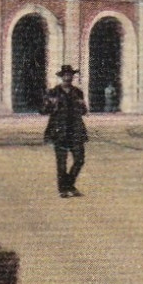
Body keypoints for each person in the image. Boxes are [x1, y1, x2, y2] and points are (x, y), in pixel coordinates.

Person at [42, 65, 89, 198]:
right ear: (61, 77)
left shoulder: (78, 92)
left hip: (75, 130)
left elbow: (84, 111)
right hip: (59, 131)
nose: (68, 77)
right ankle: (64, 189)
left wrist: (82, 105)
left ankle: (69, 184)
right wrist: (50, 104)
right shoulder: (53, 92)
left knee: (79, 160)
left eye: (70, 75)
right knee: (61, 163)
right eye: (66, 75)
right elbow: (43, 111)